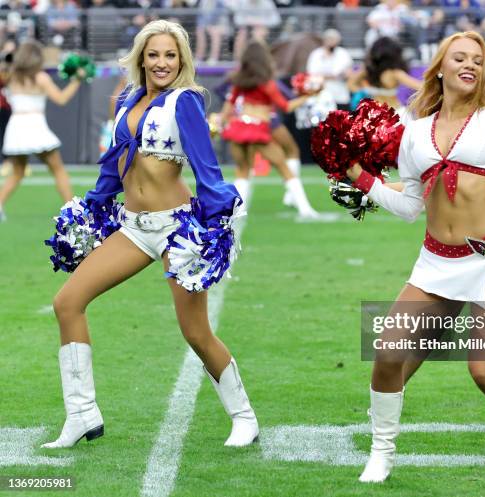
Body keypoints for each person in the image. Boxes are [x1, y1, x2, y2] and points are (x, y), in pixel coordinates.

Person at [345, 31, 485, 484]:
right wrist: (362, 179)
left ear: (484, 71)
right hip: (435, 261)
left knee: (484, 370)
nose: (469, 65)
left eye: (477, 60)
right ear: (441, 68)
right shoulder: (415, 130)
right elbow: (411, 206)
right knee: (388, 350)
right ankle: (382, 453)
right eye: (459, 58)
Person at [42, 19, 259, 449]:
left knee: (195, 332)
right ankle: (82, 415)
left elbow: (206, 169)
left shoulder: (186, 102)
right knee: (67, 302)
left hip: (176, 229)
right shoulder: (125, 101)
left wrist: (214, 227)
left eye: (170, 55)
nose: (161, 63)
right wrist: (91, 207)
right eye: (154, 54)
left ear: (182, 60)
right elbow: (113, 165)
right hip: (132, 227)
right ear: (142, 57)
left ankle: (244, 417)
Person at [221, 41, 319, 218]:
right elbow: (286, 106)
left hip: (238, 129)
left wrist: (221, 121)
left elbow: (230, 103)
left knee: (242, 171)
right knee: (284, 168)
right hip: (258, 130)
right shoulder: (267, 84)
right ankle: (306, 209)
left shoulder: (238, 80)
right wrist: (307, 97)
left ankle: (236, 212)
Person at [0, 40, 78, 222]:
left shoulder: (9, 75)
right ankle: (72, 210)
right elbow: (61, 99)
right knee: (58, 169)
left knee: (18, 172)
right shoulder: (41, 77)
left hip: (17, 127)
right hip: (35, 126)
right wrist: (77, 81)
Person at [347, 36, 421, 124]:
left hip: (373, 115)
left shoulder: (368, 71)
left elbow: (350, 84)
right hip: (394, 113)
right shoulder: (395, 72)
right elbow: (419, 86)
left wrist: (365, 90)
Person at [306, 29, 354, 109]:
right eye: (329, 39)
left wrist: (325, 76)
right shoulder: (316, 54)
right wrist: (334, 76)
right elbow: (311, 73)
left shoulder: (343, 53)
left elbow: (348, 73)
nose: (331, 42)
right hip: (320, 97)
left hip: (340, 96)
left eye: (334, 39)